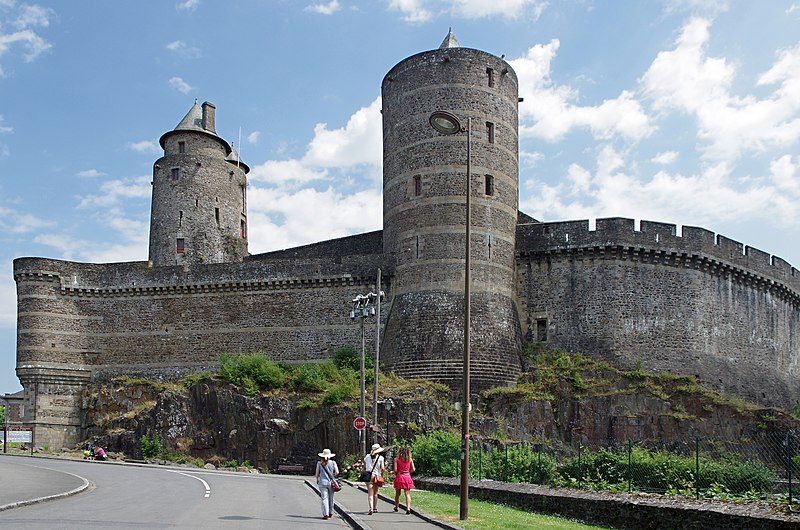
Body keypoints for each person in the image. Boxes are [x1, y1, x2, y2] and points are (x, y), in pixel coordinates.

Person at [314, 448, 339, 520]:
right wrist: (333, 475)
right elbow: (337, 472)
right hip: (331, 483)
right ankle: (330, 512)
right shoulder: (333, 463)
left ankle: (326, 514)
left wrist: (317, 479)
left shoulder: (319, 463)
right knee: (331, 498)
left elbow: (317, 473)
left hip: (322, 482)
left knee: (324, 498)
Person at [364, 443, 386, 515]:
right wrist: (382, 475)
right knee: (375, 492)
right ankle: (374, 508)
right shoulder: (380, 458)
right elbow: (382, 468)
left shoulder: (367, 457)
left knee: (370, 493)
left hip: (368, 475)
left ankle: (370, 508)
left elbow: (365, 467)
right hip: (377, 476)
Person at [393, 446, 416, 514]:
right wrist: (408, 471)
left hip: (400, 476)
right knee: (407, 493)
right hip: (407, 476)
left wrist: (396, 473)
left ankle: (396, 507)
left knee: (398, 493)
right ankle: (408, 508)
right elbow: (413, 469)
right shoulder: (410, 459)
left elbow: (395, 470)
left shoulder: (396, 459)